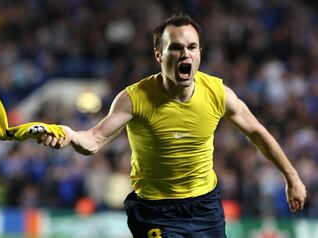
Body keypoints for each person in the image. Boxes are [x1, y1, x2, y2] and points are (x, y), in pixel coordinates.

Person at [37, 14, 307, 237]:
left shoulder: (218, 93)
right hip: (156, 210)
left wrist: (292, 177)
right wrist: (70, 135)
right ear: (159, 55)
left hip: (205, 207)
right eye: (175, 47)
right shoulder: (134, 98)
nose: (185, 54)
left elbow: (257, 133)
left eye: (192, 47)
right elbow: (94, 140)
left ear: (200, 52)